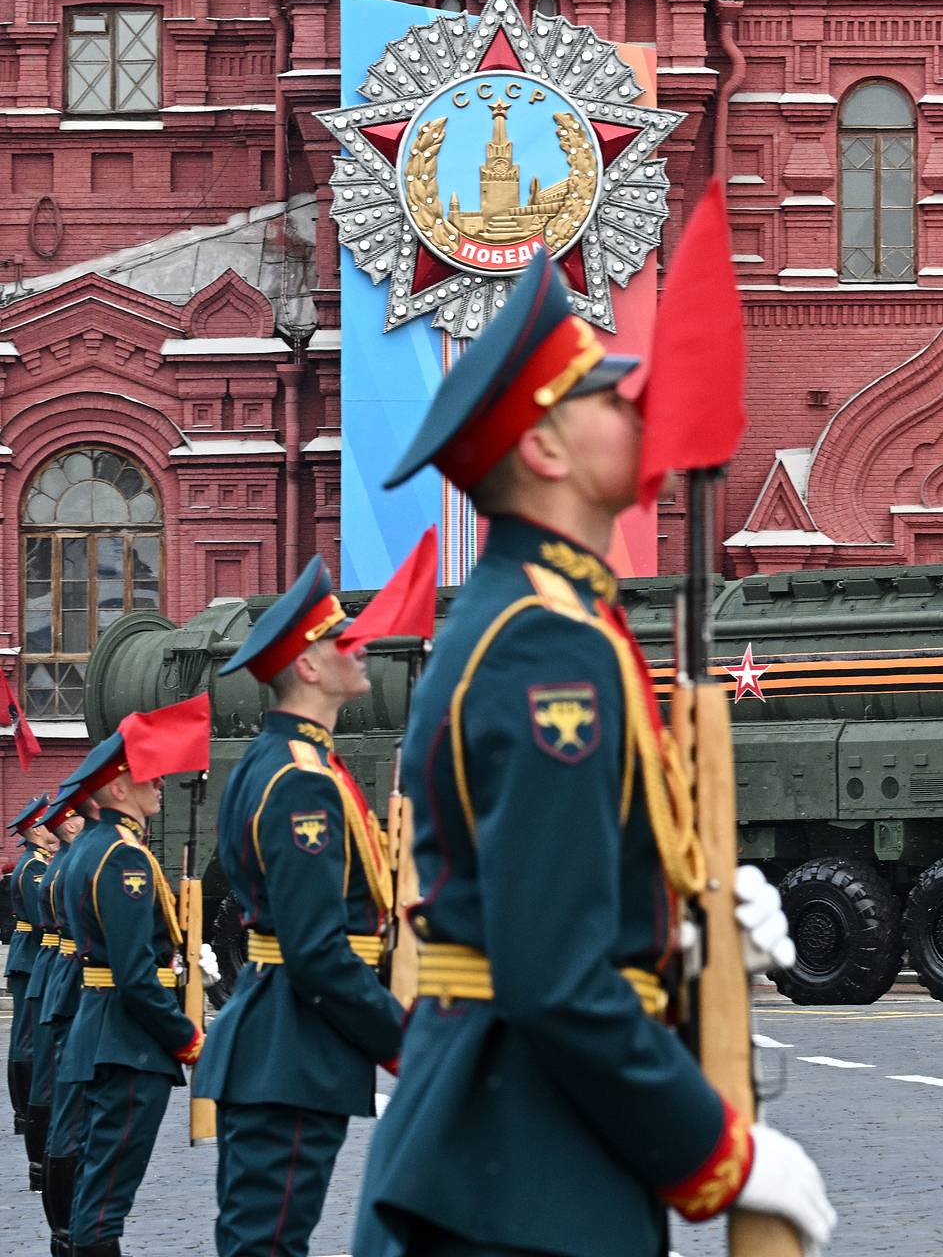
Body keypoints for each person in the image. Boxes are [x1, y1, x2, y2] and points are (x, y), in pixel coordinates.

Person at [354, 253, 835, 1257]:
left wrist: (681, 927)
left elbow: (549, 892)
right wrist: (720, 1154)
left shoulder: (552, 617)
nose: (633, 403)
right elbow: (552, 974)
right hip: (520, 1169)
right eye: (602, 392)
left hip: (513, 1161)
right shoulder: (545, 643)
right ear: (542, 447)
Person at [193, 555, 403, 1257]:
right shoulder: (298, 781)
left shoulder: (285, 762)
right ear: (309, 667)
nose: (362, 647)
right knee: (269, 1243)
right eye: (343, 641)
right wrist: (405, 1041)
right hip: (290, 1046)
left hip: (286, 1040)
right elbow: (316, 951)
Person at [58, 725, 207, 1257]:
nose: (161, 782)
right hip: (127, 1043)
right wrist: (187, 1038)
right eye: (150, 774)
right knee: (104, 1207)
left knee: (95, 1194)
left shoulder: (90, 848)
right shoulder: (124, 857)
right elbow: (136, 974)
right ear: (119, 787)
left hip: (104, 1031)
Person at [32, 794, 91, 1257]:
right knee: (72, 1107)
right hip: (78, 979)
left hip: (63, 972)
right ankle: (71, 1233)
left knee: (65, 1102)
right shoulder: (82, 862)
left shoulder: (67, 862)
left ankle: (64, 1233)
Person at [5, 795, 52, 1143]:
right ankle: (24, 1112)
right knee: (25, 1037)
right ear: (34, 832)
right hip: (31, 955)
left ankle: (25, 1111)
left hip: (31, 954)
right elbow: (42, 920)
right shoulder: (33, 868)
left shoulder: (38, 864)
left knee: (28, 1035)